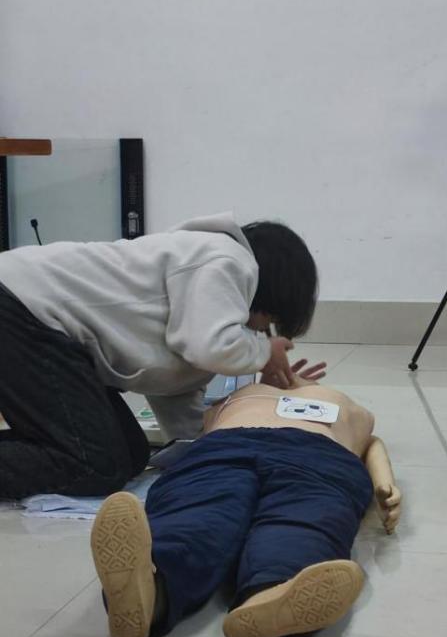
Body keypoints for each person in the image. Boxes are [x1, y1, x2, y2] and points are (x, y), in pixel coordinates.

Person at [0, 213, 318, 500]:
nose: (261, 331)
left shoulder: (198, 306)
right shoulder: (227, 260)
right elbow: (210, 346)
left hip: (36, 319)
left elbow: (183, 418)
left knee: (132, 453)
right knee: (96, 465)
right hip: (21, 305)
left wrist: (258, 404)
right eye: (270, 322)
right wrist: (265, 353)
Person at [91, 366, 402, 637]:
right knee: (197, 513)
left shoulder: (349, 407)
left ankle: (273, 596)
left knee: (294, 522)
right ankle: (148, 590)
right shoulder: (237, 396)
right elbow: (196, 426)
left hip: (312, 457)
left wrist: (385, 485)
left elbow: (373, 445)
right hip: (228, 448)